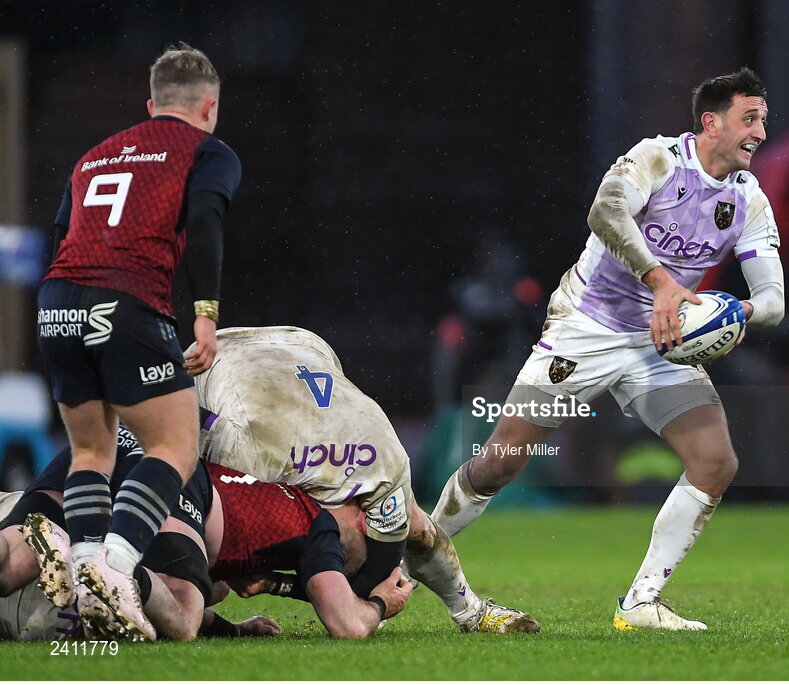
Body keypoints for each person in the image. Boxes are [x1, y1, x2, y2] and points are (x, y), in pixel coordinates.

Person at [431, 67, 786, 631]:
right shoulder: (658, 159)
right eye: (750, 119)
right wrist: (663, 282)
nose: (761, 133)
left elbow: (772, 297)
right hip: (587, 325)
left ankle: (641, 602)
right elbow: (604, 213)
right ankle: (407, 557)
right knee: (501, 462)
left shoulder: (749, 200)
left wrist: (737, 311)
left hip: (661, 344)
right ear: (711, 122)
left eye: (764, 120)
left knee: (715, 462)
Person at [35, 42, 241, 641]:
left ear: (151, 104)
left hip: (57, 302)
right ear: (210, 107)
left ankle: (83, 579)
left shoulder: (93, 157)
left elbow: (59, 235)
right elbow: (205, 220)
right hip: (125, 302)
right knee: (174, 446)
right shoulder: (208, 149)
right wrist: (204, 316)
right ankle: (115, 571)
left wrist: (66, 316)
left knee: (91, 453)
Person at [190, 325, 540, 634]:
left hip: (306, 347)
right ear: (362, 516)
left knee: (415, 523)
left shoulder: (386, 466)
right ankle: (143, 579)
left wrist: (275, 583)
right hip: (215, 355)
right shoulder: (247, 459)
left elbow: (409, 533)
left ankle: (471, 613)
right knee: (211, 573)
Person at [6, 429, 409, 641]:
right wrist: (378, 603)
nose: (346, 569)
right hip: (175, 481)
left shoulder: (272, 487)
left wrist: (235, 629)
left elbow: (228, 585)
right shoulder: (319, 523)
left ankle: (68, 544)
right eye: (356, 563)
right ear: (359, 516)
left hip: (113, 441)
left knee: (10, 562)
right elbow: (347, 625)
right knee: (181, 620)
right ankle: (102, 564)